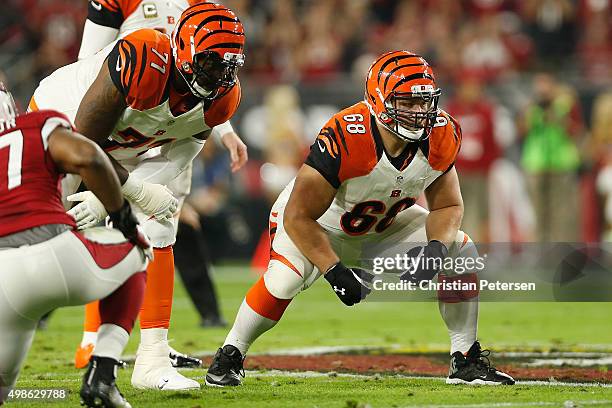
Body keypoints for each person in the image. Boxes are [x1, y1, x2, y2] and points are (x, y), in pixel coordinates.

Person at [205, 51, 515, 387]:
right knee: (284, 279)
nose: (418, 113)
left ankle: (465, 359)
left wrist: (436, 249)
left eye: (423, 102)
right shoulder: (346, 135)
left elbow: (448, 207)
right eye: (407, 103)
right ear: (379, 101)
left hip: (381, 227)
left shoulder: (441, 133)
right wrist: (335, 271)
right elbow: (298, 215)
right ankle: (230, 354)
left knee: (460, 248)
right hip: (318, 223)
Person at [28, 2, 247, 390]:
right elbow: (83, 144)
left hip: (125, 147)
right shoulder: (143, 57)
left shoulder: (223, 98)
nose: (221, 76)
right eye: (212, 63)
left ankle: (152, 361)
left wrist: (134, 195)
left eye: (230, 65)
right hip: (61, 126)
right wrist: (127, 191)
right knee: (36, 233)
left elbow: (179, 154)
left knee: (160, 223)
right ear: (182, 51)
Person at [0, 84, 150, 407]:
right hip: (54, 253)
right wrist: (121, 214)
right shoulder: (36, 125)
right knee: (138, 250)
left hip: (2, 287)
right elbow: (88, 156)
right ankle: (103, 372)